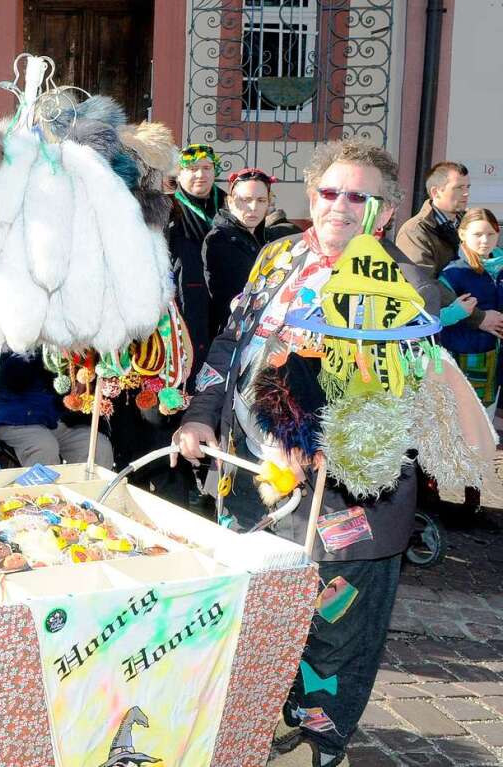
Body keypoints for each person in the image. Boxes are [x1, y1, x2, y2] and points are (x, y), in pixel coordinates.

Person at [173, 138, 440, 767]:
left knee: (335, 633)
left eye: (359, 196)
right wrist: (201, 415)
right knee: (261, 622)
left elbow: (402, 404)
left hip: (348, 505)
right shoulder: (276, 257)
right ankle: (265, 725)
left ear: (388, 209)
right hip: (249, 485)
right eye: (329, 192)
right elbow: (230, 342)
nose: (340, 206)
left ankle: (321, 745)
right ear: (310, 195)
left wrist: (321, 449)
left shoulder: (405, 285)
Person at [396, 161, 503, 337]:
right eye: (459, 187)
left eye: (468, 186)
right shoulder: (414, 232)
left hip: (481, 331)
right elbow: (423, 284)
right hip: (442, 333)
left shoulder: (468, 221)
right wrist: (479, 317)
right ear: (436, 191)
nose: (466, 193)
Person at [0, 352, 113, 468]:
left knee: (99, 447)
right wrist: (46, 353)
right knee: (45, 447)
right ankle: (42, 490)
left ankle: (88, 488)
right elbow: (12, 376)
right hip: (17, 420)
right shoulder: (21, 342)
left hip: (55, 421)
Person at [168, 143, 228, 372]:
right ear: (179, 173)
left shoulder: (230, 205)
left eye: (206, 167)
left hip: (223, 299)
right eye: (192, 168)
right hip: (185, 302)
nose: (201, 174)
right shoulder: (169, 208)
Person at [437, 209, 503, 417]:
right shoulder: (452, 273)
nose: (485, 240)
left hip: (497, 362)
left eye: (491, 234)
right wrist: (455, 313)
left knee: (487, 420)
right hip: (465, 358)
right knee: (463, 419)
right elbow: (434, 318)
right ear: (462, 234)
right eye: (477, 234)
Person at [202, 167, 276, 339]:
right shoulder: (219, 239)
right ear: (230, 201)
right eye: (245, 200)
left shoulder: (265, 238)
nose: (253, 207)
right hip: (232, 336)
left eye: (261, 200)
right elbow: (229, 299)